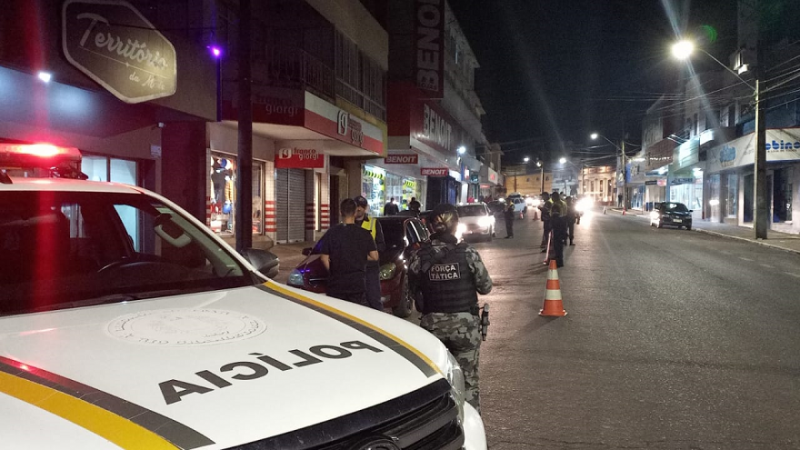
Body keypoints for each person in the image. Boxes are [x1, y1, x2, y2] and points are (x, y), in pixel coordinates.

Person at [408, 203, 492, 412]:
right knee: (469, 382)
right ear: (455, 224)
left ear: (431, 227)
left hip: (432, 328)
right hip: (465, 329)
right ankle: (471, 429)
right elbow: (486, 287)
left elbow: (412, 291)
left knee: (436, 382)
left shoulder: (419, 256)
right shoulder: (468, 253)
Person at [320, 199, 379, 306]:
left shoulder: (332, 232)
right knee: (354, 314)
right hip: (357, 283)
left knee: (336, 313)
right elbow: (375, 256)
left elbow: (324, 258)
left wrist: (333, 271)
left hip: (336, 283)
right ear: (355, 212)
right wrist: (360, 257)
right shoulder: (364, 233)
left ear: (340, 212)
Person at [354, 195, 386, 310]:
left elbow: (381, 245)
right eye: (357, 206)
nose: (359, 209)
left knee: (374, 300)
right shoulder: (347, 224)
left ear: (366, 208)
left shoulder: (374, 223)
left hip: (370, 269)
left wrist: (368, 253)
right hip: (354, 269)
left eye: (361, 206)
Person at [549, 192, 568, 267]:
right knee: (559, 244)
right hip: (562, 223)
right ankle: (559, 259)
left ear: (555, 197)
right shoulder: (563, 203)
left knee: (558, 245)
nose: (552, 199)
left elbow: (555, 215)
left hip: (558, 224)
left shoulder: (557, 204)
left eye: (552, 197)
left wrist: (552, 222)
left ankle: (559, 261)